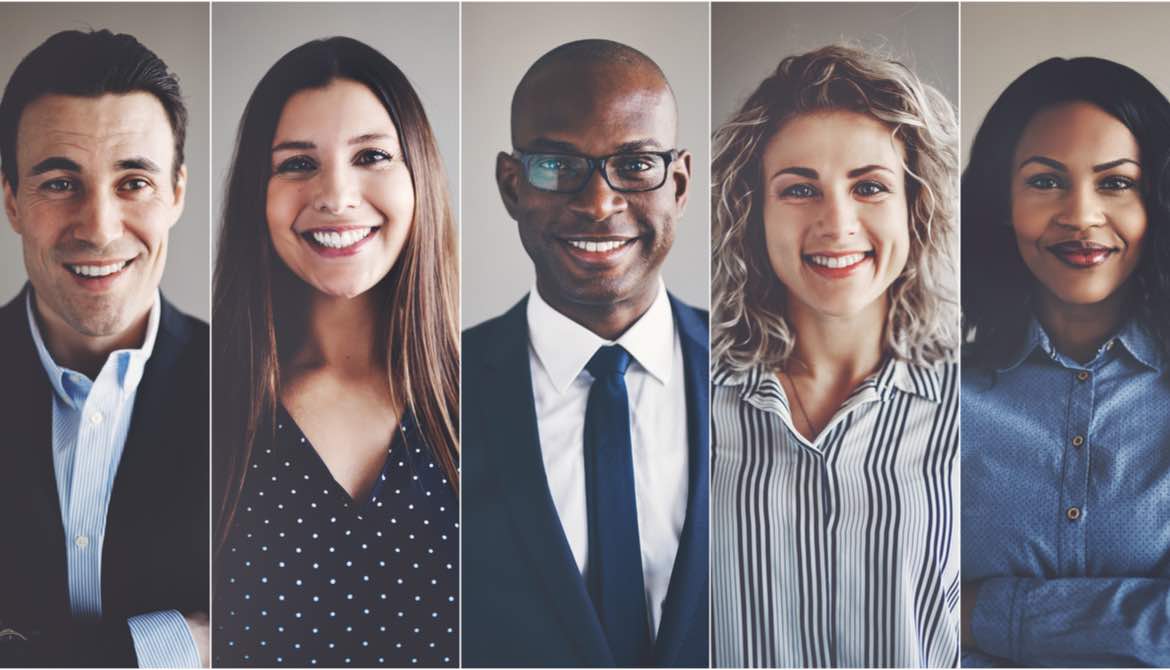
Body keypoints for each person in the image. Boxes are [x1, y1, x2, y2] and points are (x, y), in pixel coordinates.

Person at [211, 37, 459, 668]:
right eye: (297, 164)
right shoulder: (202, 400)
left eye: (371, 155)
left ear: (419, 177)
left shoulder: (503, 396)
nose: (336, 195)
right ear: (255, 194)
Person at [710, 45, 961, 668]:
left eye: (869, 187)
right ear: (754, 215)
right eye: (800, 190)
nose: (837, 223)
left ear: (915, 207)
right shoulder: (686, 402)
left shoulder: (976, 407)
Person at [461, 39, 708, 667]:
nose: (599, 204)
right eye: (556, 164)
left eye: (635, 166)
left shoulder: (763, 373)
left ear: (678, 183)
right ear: (511, 185)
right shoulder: (429, 389)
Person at [0, 29, 208, 668]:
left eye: (134, 182)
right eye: (60, 183)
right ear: (11, 199)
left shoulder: (261, 386)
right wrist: (180, 645)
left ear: (176, 192)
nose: (98, 228)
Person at [961, 57, 1170, 667]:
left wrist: (979, 613)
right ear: (1003, 201)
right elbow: (893, 602)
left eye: (1116, 182)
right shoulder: (937, 397)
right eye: (1046, 181)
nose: (1081, 216)